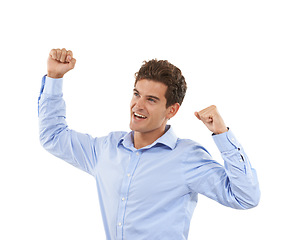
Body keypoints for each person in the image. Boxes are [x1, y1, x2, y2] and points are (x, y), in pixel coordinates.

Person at [38, 48, 260, 240]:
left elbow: (245, 197)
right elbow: (53, 136)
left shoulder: (186, 157)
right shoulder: (106, 149)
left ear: (171, 110)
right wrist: (54, 78)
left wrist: (222, 134)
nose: (138, 105)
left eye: (151, 100)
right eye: (136, 94)